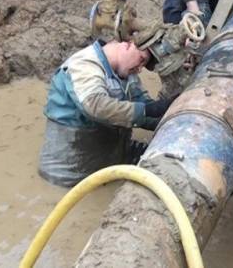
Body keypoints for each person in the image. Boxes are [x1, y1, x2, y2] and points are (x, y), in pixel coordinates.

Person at [38, 39, 173, 187]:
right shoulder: (85, 63)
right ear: (127, 44)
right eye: (141, 59)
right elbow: (96, 105)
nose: (140, 69)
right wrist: (148, 110)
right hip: (71, 173)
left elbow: (142, 107)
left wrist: (169, 118)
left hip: (111, 155)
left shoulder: (126, 72)